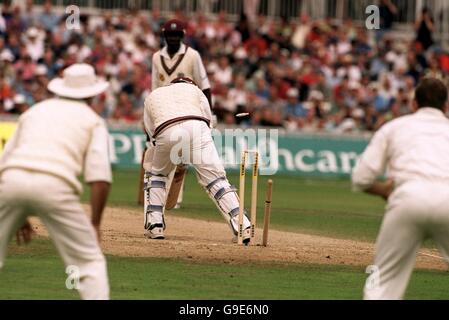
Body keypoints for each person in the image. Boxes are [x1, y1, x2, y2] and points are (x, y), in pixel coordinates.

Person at [0, 63, 112, 300]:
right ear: (92, 93)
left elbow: (4, 162)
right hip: (56, 187)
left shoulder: (34, 111)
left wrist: (17, 211)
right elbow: (100, 179)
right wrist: (95, 224)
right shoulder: (93, 120)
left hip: (10, 182)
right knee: (90, 264)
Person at [352, 78, 449, 300]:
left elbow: (361, 178)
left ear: (414, 104)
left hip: (407, 198)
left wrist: (385, 191)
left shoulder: (395, 127)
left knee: (383, 284)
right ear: (445, 106)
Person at [143, 77, 251, 243]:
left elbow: (151, 132)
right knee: (216, 179)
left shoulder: (154, 95)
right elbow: (209, 121)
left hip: (165, 129)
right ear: (189, 84)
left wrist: (172, 151)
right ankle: (242, 225)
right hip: (197, 127)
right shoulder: (195, 90)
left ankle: (155, 225)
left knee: (158, 174)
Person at [142, 19, 212, 213]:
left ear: (182, 36)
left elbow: (204, 86)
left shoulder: (192, 56)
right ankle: (159, 198)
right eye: (169, 36)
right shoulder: (157, 57)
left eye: (176, 36)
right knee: (162, 156)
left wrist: (209, 115)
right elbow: (154, 88)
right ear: (164, 36)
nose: (173, 39)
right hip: (163, 111)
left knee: (182, 158)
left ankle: (174, 199)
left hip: (187, 108)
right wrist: (148, 120)